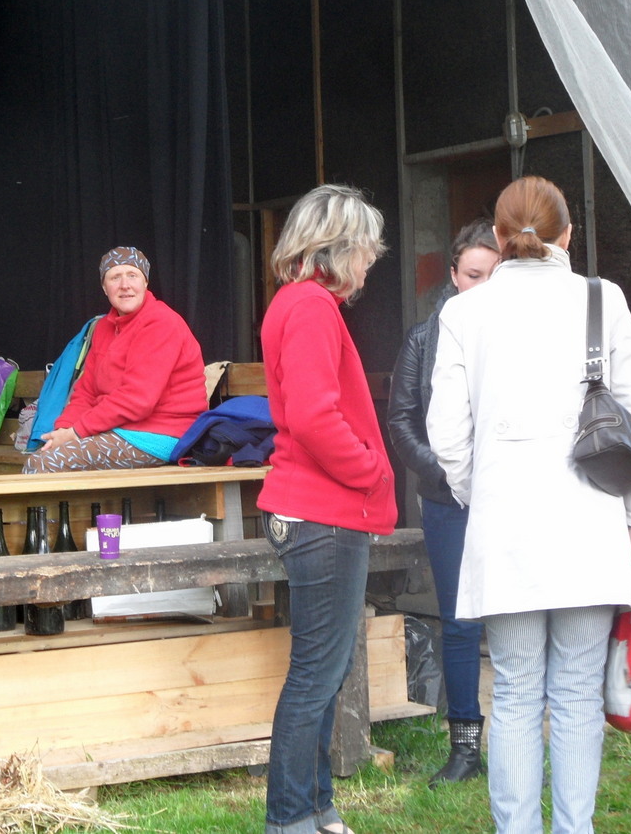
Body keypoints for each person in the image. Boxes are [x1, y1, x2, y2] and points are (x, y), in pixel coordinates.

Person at [426, 176, 631, 834]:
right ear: (568, 234)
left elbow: (445, 433)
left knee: (514, 692)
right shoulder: (602, 298)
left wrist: (481, 492)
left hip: (505, 528)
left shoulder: (464, 312)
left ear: (499, 238)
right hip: (589, 520)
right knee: (578, 693)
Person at [258, 185, 397, 834]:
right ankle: (292, 819)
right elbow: (315, 417)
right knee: (317, 675)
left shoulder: (297, 302)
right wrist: (371, 470)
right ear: (339, 248)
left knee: (322, 672)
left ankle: (316, 809)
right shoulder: (312, 306)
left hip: (310, 511)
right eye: (366, 248)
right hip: (324, 513)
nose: (370, 262)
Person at [387, 218, 499, 787]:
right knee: (459, 621)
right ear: (454, 275)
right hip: (447, 498)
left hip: (510, 496)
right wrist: (445, 473)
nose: (482, 286)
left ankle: (522, 740)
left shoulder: (521, 335)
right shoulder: (423, 337)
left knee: (520, 618)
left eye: (494, 275)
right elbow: (401, 421)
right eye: (473, 274)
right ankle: (465, 747)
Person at [22, 246, 206, 473]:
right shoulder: (102, 328)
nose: (125, 285)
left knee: (45, 464)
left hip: (162, 434)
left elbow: (138, 400)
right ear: (104, 287)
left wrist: (76, 432)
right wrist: (63, 430)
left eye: (132, 275)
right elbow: (86, 392)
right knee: (45, 453)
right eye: (115, 277)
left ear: (146, 282)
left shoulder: (161, 322)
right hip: (118, 429)